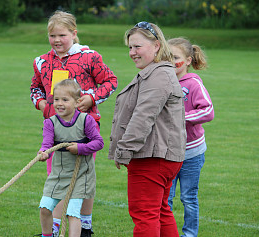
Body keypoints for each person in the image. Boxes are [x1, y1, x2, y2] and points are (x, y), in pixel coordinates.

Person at [30, 10, 117, 237]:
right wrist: (41, 104)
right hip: (55, 128)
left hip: (84, 128)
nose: (57, 40)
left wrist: (92, 98)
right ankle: (55, 227)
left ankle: (85, 226)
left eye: (62, 35)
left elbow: (110, 81)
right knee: (57, 176)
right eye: (52, 36)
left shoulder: (89, 57)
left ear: (74, 33)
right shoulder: (41, 61)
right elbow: (35, 89)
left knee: (82, 179)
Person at [108, 21, 187, 237]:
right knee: (160, 212)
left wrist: (123, 150)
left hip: (152, 157)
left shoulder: (158, 75)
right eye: (130, 48)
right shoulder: (156, 72)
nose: (132, 52)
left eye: (137, 46)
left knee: (145, 214)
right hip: (160, 155)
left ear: (157, 45)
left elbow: (143, 117)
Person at [37, 79, 104, 237]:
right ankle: (47, 235)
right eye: (56, 100)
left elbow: (99, 142)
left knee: (73, 213)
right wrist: (43, 152)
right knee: (45, 208)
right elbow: (46, 143)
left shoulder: (86, 120)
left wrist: (80, 148)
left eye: (65, 100)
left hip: (81, 174)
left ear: (77, 102)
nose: (59, 104)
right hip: (58, 175)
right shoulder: (50, 123)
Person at [167, 37, 214, 237]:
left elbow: (208, 111)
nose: (170, 61)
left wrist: (181, 117)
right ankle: (165, 232)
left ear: (187, 60)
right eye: (167, 57)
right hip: (167, 152)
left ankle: (189, 234)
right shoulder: (162, 82)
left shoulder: (193, 84)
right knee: (164, 199)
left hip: (192, 153)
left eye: (175, 57)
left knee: (188, 197)